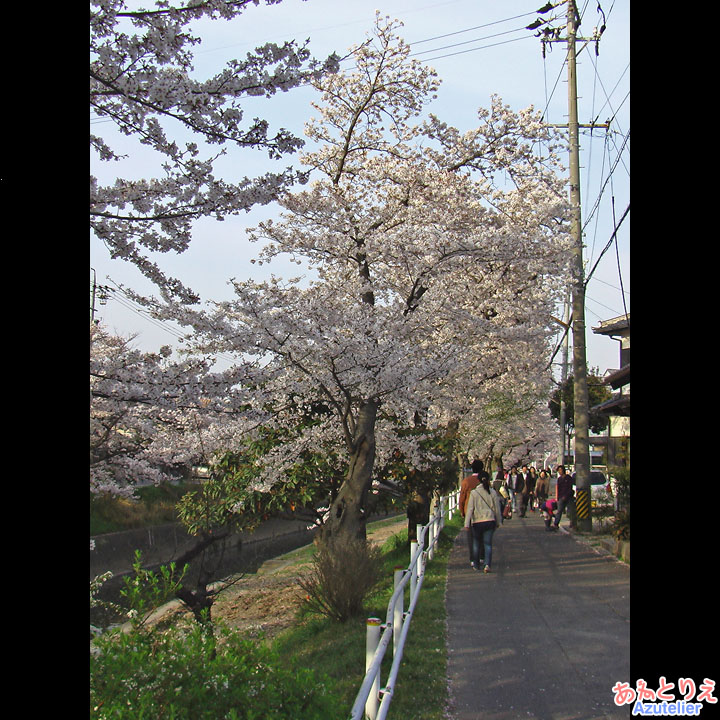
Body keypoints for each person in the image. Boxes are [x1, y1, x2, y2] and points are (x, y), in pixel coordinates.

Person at [464, 471, 503, 573]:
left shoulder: (474, 493)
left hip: (477, 521)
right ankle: (487, 564)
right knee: (488, 544)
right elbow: (497, 509)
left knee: (476, 543)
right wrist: (499, 521)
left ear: (479, 480)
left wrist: (466, 523)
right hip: (490, 520)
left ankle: (476, 565)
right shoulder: (493, 492)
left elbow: (470, 509)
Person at [459, 459, 488, 568]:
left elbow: (462, 498)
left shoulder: (466, 481)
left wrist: (462, 511)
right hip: (484, 511)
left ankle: (473, 558)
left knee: (472, 537)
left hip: (470, 512)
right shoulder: (485, 480)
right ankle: (482, 556)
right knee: (483, 536)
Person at [553, 464, 575, 529]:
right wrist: (557, 497)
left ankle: (573, 524)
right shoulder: (559, 479)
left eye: (560, 470)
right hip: (561, 497)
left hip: (569, 497)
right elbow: (558, 488)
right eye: (558, 470)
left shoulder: (569, 478)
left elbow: (569, 488)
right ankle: (556, 524)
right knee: (559, 511)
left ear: (563, 470)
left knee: (570, 511)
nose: (560, 472)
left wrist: (566, 495)